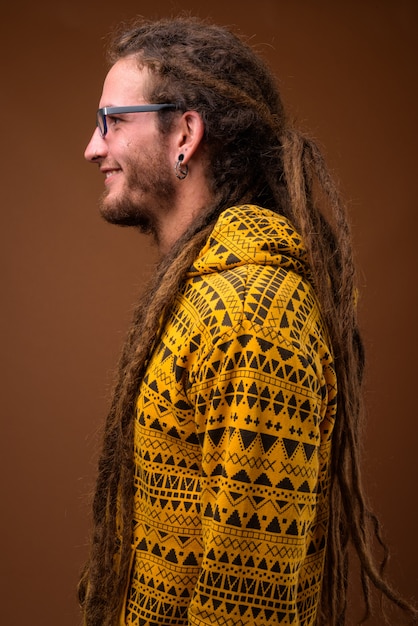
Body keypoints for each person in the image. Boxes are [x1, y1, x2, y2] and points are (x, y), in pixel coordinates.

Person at [79, 16, 417, 626]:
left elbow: (245, 608)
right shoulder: (204, 290)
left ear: (184, 134)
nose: (92, 146)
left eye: (112, 121)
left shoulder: (252, 316)